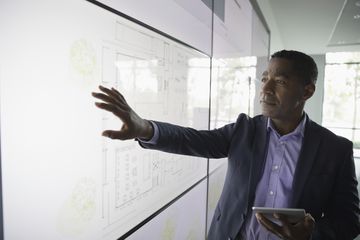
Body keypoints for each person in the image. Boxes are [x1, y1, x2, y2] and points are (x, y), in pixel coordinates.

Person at [92, 50, 360, 240]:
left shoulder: (336, 149)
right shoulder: (245, 129)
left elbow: (350, 221)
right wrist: (145, 128)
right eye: (264, 78)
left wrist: (312, 234)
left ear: (307, 92)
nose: (265, 89)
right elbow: (192, 140)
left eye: (280, 81)